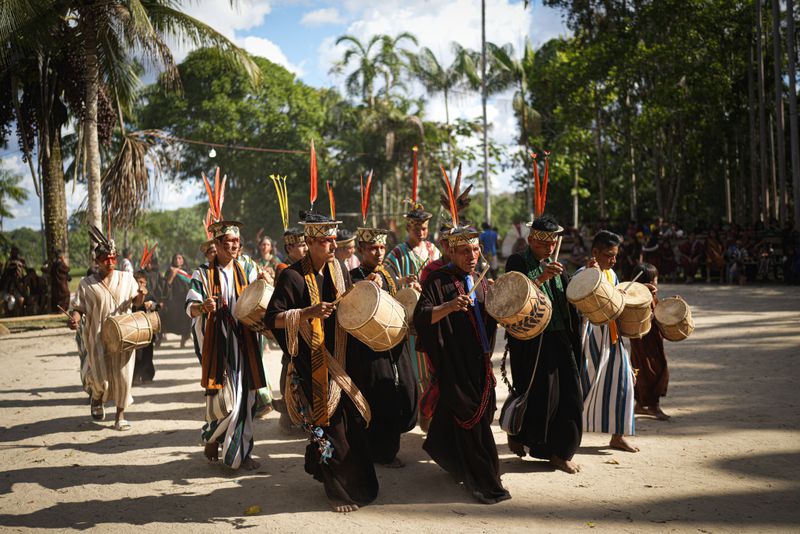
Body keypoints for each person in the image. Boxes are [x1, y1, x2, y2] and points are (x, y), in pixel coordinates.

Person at [265, 211, 378, 512]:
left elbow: (349, 299)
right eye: (326, 241)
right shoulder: (291, 276)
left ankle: (333, 472)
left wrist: (367, 286)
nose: (332, 246)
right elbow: (271, 318)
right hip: (311, 364)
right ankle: (337, 492)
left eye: (333, 240)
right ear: (311, 242)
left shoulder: (338, 268)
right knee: (329, 427)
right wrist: (305, 313)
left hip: (343, 358)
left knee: (350, 425)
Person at [414, 224, 510, 504]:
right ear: (452, 252)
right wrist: (449, 306)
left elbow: (490, 320)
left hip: (481, 362)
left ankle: (445, 454)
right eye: (465, 250)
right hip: (455, 364)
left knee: (477, 415)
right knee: (473, 422)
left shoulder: (481, 279)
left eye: (476, 249)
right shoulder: (438, 281)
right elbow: (421, 318)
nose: (472, 255)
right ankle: (485, 482)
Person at [185, 218, 269, 471]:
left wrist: (265, 279)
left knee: (247, 399)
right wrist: (203, 306)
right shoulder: (202, 273)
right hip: (218, 346)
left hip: (246, 343)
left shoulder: (247, 266)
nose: (234, 246)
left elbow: (263, 290)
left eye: (237, 242)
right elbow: (190, 307)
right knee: (227, 401)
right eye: (229, 242)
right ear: (218, 244)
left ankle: (240, 454)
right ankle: (212, 436)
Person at [503, 215, 583, 473]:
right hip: (532, 343)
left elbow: (570, 300)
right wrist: (539, 280)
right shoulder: (517, 262)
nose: (548, 249)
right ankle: (519, 435)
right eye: (542, 245)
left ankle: (562, 452)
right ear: (530, 241)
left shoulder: (557, 265)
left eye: (551, 244)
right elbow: (511, 297)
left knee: (571, 395)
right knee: (538, 395)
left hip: (561, 339)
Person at [348, 211, 418, 467]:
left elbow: (398, 304)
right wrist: (365, 286)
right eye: (372, 249)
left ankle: (388, 445)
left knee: (407, 391)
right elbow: (349, 308)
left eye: (381, 247)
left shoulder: (387, 274)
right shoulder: (353, 276)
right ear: (361, 250)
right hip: (369, 350)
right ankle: (383, 452)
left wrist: (409, 289)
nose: (378, 253)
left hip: (395, 345)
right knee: (380, 396)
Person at [68, 226, 144, 430]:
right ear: (96, 261)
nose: (110, 262)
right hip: (97, 336)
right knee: (100, 378)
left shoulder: (127, 278)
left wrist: (142, 294)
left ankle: (120, 415)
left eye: (113, 258)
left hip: (124, 334)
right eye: (105, 259)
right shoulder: (86, 284)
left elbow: (136, 303)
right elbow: (79, 308)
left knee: (123, 376)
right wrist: (74, 318)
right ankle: (97, 396)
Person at [579, 230, 639, 452]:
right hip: (588, 338)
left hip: (612, 337)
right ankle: (567, 436)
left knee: (624, 382)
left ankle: (618, 435)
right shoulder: (582, 274)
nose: (613, 260)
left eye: (615, 255)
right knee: (582, 386)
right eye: (608, 255)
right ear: (595, 252)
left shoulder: (611, 274)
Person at [384, 201, 439, 409]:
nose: (421, 232)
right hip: (407, 318)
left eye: (424, 228)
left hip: (430, 314)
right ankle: (414, 406)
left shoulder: (434, 251)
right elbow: (385, 279)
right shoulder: (397, 253)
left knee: (431, 361)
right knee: (412, 364)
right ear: (408, 228)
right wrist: (399, 282)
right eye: (417, 229)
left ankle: (430, 406)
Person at [627, 263, 670, 420]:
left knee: (641, 369)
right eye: (655, 279)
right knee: (654, 370)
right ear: (650, 281)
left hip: (651, 340)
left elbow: (659, 311)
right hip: (643, 340)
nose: (656, 282)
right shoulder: (636, 297)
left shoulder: (651, 295)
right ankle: (653, 405)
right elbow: (638, 317)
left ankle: (639, 404)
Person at [132, 269, 159, 383]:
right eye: (138, 282)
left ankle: (147, 375)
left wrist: (152, 305)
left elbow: (157, 306)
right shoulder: (130, 294)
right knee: (136, 355)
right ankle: (135, 376)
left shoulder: (149, 293)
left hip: (147, 329)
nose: (141, 284)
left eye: (143, 282)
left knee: (148, 353)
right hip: (134, 328)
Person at [161, 253, 193, 348]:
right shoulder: (170, 271)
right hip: (174, 301)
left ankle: (184, 339)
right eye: (176, 258)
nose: (177, 260)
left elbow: (192, 284)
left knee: (187, 320)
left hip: (186, 299)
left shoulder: (187, 272)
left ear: (183, 260)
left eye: (180, 258)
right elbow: (166, 285)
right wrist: (173, 274)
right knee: (176, 320)